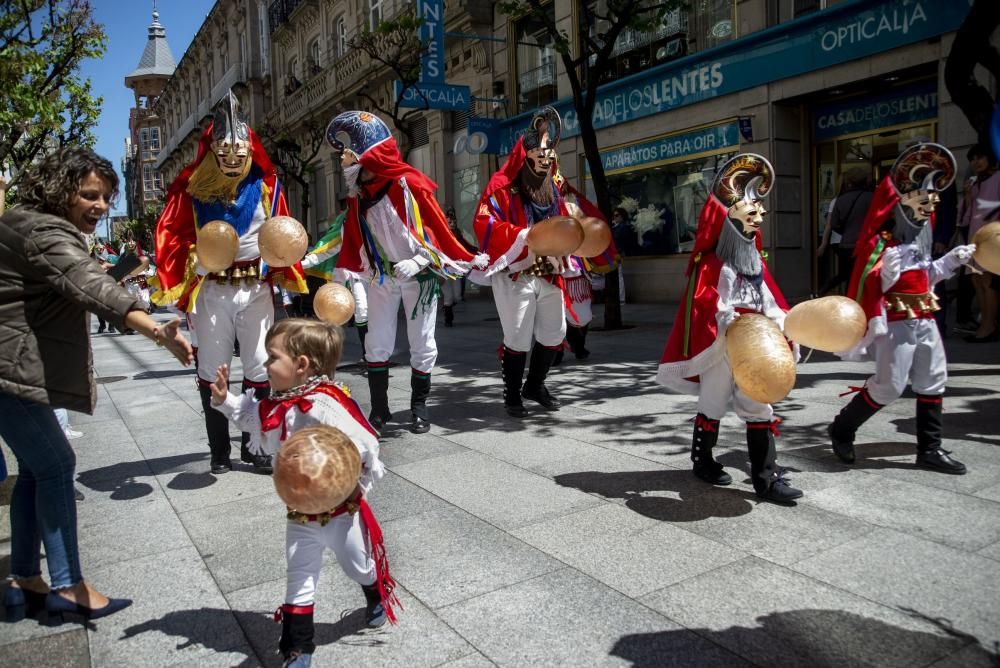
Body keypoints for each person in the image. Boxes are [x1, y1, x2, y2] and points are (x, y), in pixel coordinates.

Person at [0, 146, 193, 623]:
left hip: (14, 370)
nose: (102, 206)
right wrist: (155, 328)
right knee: (56, 463)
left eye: (106, 197)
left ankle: (24, 578)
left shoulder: (22, 223)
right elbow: (88, 282)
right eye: (89, 195)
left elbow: (76, 282)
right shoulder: (44, 231)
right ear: (60, 190)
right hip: (8, 372)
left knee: (33, 468)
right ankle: (68, 585)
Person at [209, 319, 396, 667]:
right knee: (299, 578)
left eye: (272, 358)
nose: (265, 365)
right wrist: (225, 400)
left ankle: (375, 591)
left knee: (358, 566)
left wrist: (350, 474)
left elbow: (365, 441)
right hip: (299, 514)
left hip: (343, 513)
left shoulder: (328, 402)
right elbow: (252, 417)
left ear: (301, 365)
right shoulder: (279, 401)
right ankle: (298, 646)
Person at [151, 90, 308, 475]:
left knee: (259, 367)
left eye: (240, 151)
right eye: (225, 151)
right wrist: (199, 262)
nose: (234, 158)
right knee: (213, 366)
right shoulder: (193, 189)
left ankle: (254, 444)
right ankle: (219, 450)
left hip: (255, 288)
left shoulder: (267, 186)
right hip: (213, 290)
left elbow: (280, 231)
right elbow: (175, 238)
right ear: (213, 150)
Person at [656, 153, 802, 504]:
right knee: (714, 401)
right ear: (729, 219)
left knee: (758, 405)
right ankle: (702, 460)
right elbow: (708, 303)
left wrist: (789, 326)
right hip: (723, 346)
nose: (759, 218)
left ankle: (766, 480)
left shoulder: (753, 263)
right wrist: (727, 321)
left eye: (759, 212)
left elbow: (769, 302)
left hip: (757, 347)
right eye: (750, 213)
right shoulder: (713, 264)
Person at [327, 111, 485, 433]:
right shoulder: (358, 198)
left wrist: (419, 260)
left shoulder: (408, 185)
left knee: (422, 342)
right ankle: (380, 410)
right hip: (382, 278)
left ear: (371, 157)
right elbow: (350, 239)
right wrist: (339, 273)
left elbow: (439, 234)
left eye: (352, 157)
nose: (346, 165)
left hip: (420, 278)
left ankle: (418, 406)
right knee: (377, 342)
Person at [828, 143, 977, 474]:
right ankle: (842, 428)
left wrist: (951, 261)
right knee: (890, 386)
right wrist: (886, 273)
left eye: (934, 197)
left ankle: (930, 449)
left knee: (933, 379)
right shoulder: (884, 242)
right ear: (902, 200)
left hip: (924, 317)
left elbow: (928, 278)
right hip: (894, 323)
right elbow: (869, 282)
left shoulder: (920, 239)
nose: (932, 203)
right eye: (924, 198)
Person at [474, 107, 581, 418]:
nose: (546, 158)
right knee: (518, 336)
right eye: (538, 152)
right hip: (515, 272)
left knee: (554, 332)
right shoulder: (502, 187)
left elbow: (563, 225)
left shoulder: (553, 189)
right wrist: (524, 235)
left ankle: (534, 385)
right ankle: (512, 395)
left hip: (549, 271)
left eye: (549, 152)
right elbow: (483, 222)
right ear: (525, 154)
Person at [301, 209, 370, 361]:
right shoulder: (348, 221)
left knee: (377, 315)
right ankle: (369, 354)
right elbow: (328, 248)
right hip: (357, 274)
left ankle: (377, 354)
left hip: (383, 274)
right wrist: (300, 264)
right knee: (362, 311)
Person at [956, 144, 1000, 341]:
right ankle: (985, 324)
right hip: (975, 239)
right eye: (972, 159)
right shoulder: (973, 183)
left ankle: (989, 325)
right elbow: (964, 219)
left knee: (989, 281)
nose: (976, 162)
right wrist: (966, 197)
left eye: (980, 157)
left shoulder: (998, 178)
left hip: (993, 238)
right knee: (977, 280)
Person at [818, 168, 872, 296]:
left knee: (848, 274)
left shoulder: (840, 200)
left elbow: (834, 224)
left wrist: (846, 232)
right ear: (865, 181)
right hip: (867, 244)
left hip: (846, 243)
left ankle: (849, 299)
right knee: (865, 275)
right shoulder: (871, 197)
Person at [440, 207, 478, 327]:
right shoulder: (440, 234)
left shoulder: (459, 233)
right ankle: (448, 318)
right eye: (449, 221)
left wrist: (476, 252)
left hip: (456, 269)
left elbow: (467, 245)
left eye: (454, 221)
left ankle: (448, 306)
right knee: (448, 296)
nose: (452, 223)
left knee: (457, 296)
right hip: (444, 269)